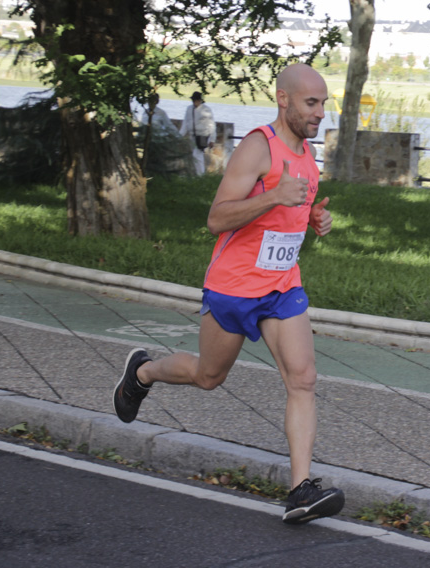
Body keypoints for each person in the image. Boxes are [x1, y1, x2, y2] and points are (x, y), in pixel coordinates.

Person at [113, 64, 340, 525]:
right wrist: (274, 196)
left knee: (303, 379)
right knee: (208, 377)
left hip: (282, 286)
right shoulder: (258, 147)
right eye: (311, 103)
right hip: (234, 288)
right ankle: (143, 371)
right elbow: (218, 218)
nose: (321, 113)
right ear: (283, 99)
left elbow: (289, 216)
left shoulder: (306, 153)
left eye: (323, 103)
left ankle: (300, 489)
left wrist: (313, 218)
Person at [179, 91, 215, 175]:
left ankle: (200, 175)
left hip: (203, 136)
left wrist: (212, 139)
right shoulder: (189, 109)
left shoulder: (206, 110)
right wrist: (180, 135)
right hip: (192, 136)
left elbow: (212, 125)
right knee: (196, 156)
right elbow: (185, 123)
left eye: (197, 100)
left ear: (200, 100)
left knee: (197, 155)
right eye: (194, 100)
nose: (195, 102)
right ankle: (198, 174)